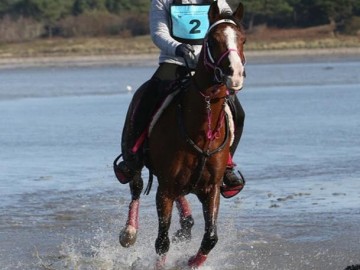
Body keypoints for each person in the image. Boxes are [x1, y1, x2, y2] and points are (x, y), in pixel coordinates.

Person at [114, 0, 245, 193]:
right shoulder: (162, 1)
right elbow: (159, 33)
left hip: (208, 63)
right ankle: (133, 158)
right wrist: (179, 48)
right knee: (147, 97)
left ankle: (226, 165)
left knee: (238, 113)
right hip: (175, 59)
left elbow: (228, 21)